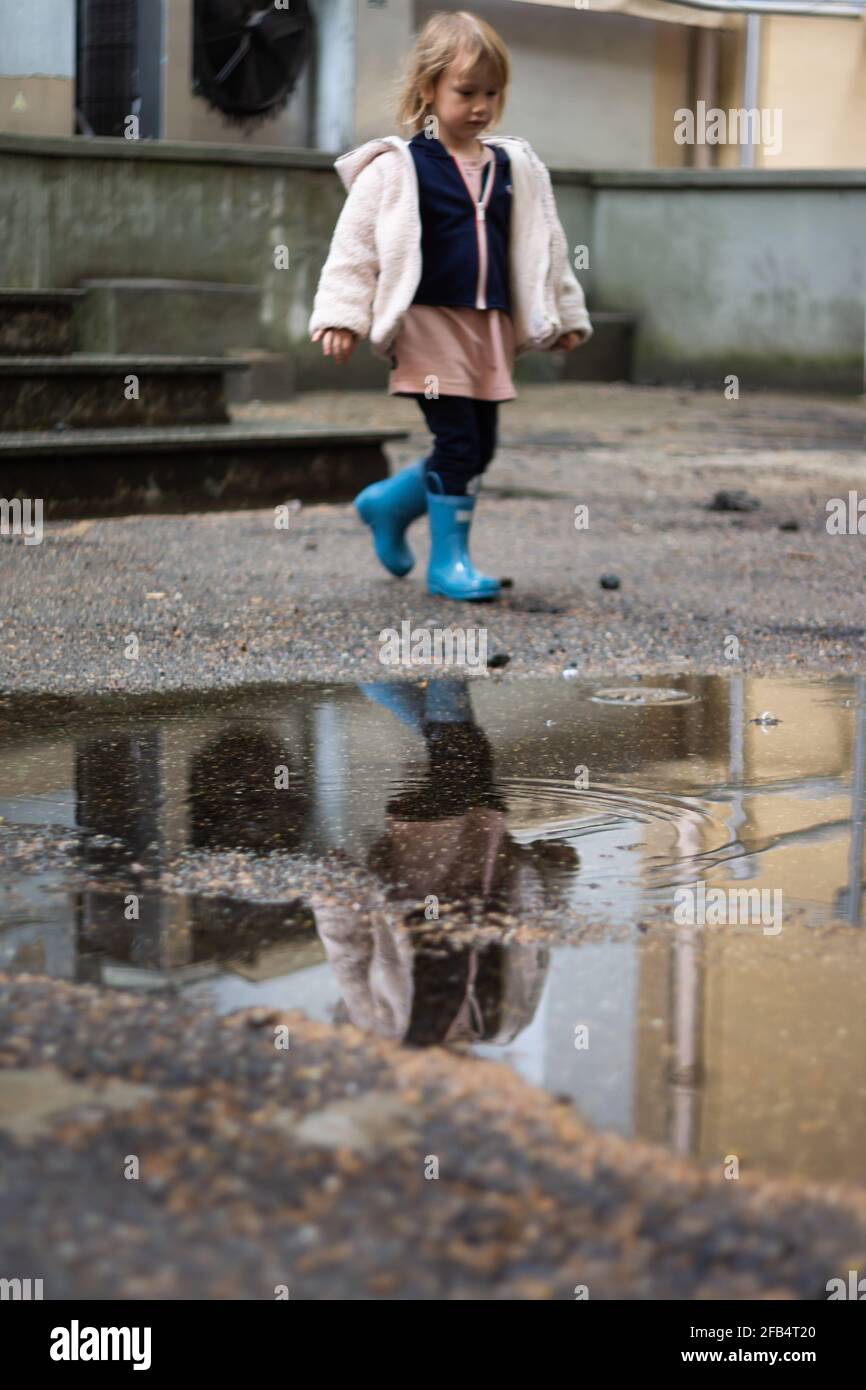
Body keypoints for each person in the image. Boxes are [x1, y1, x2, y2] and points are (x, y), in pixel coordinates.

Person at [309, 10, 592, 601]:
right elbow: (355, 246)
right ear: (428, 88)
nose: (482, 105)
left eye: (493, 92)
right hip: (427, 325)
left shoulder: (514, 167)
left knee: (480, 446)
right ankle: (449, 563)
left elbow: (547, 243)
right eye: (467, 92)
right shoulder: (399, 167)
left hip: (486, 325)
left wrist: (564, 313)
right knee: (460, 443)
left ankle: (387, 505)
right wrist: (341, 314)